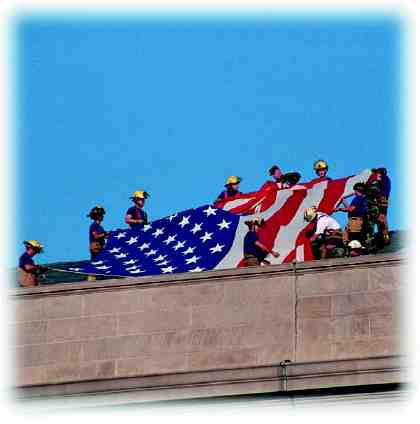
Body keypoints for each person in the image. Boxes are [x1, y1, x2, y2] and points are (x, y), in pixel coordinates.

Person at [368, 168, 391, 245]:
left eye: (377, 172)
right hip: (383, 200)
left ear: (380, 173)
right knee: (381, 217)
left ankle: (385, 236)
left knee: (381, 217)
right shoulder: (386, 179)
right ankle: (383, 236)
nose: (375, 174)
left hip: (382, 199)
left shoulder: (383, 178)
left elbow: (375, 184)